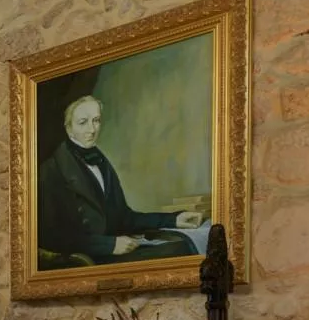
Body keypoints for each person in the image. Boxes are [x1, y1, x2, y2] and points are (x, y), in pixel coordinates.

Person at [37, 95, 204, 264]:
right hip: (88, 260)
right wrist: (109, 245)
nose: (92, 129)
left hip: (115, 250)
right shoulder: (51, 170)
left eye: (96, 120)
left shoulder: (101, 162)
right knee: (178, 253)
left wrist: (173, 220)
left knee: (182, 247)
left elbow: (125, 218)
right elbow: (49, 236)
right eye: (83, 122)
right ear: (69, 129)